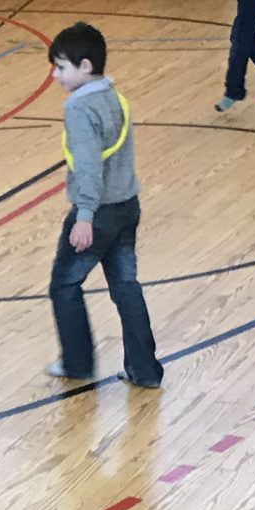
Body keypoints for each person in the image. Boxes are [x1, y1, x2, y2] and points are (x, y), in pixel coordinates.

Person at [43, 23, 162, 389]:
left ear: (86, 66)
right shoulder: (114, 97)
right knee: (126, 286)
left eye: (61, 67)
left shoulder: (79, 108)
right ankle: (144, 370)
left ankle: (77, 363)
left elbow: (89, 167)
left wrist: (84, 216)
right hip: (127, 205)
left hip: (97, 214)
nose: (55, 75)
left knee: (64, 285)